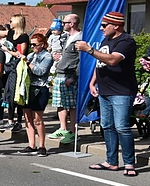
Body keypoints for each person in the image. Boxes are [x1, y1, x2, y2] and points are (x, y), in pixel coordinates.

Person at [75, 12, 139, 176]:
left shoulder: (126, 41)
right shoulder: (106, 40)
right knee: (107, 126)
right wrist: (92, 82)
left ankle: (129, 163)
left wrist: (89, 49)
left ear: (116, 25)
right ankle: (111, 161)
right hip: (104, 90)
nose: (101, 28)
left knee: (122, 127)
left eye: (104, 25)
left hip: (121, 91)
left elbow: (112, 60)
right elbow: (101, 63)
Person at [15, 33, 53, 157]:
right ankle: (31, 145)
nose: (32, 47)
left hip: (40, 88)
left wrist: (27, 62)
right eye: (31, 44)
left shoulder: (47, 56)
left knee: (38, 119)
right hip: (28, 88)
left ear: (42, 44)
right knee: (27, 118)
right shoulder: (31, 55)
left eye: (35, 44)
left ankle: (42, 146)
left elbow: (40, 71)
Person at [48, 14, 81, 145]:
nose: (62, 25)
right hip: (60, 73)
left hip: (69, 75)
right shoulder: (66, 37)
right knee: (60, 103)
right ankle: (63, 128)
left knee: (72, 105)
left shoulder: (79, 39)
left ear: (72, 24)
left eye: (64, 22)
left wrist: (74, 77)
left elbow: (82, 60)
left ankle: (73, 131)